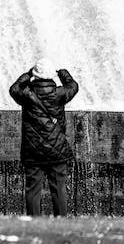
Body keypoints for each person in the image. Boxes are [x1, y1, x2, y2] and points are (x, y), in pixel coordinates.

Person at [9, 60, 79, 216]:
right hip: (56, 150)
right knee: (59, 189)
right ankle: (61, 221)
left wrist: (28, 74)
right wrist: (63, 73)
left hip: (33, 151)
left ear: (36, 75)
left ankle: (34, 222)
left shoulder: (26, 95)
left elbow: (14, 88)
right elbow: (73, 86)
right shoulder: (59, 94)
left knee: (33, 190)